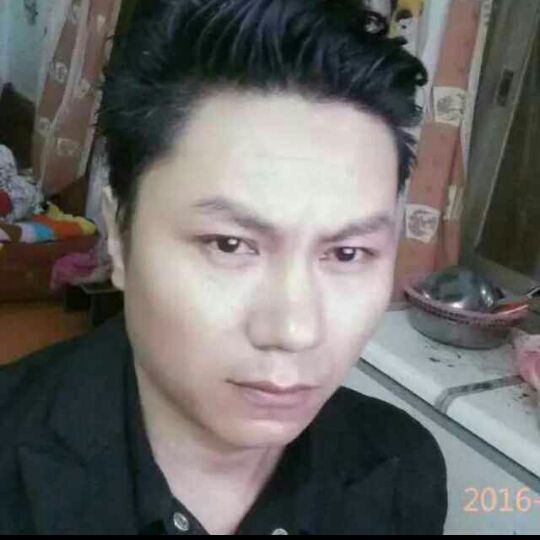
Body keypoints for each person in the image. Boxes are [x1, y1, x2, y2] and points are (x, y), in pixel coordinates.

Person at [0, 0, 447, 534]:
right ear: (119, 236)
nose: (294, 330)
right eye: (230, 245)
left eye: (347, 254)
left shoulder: (402, 469)